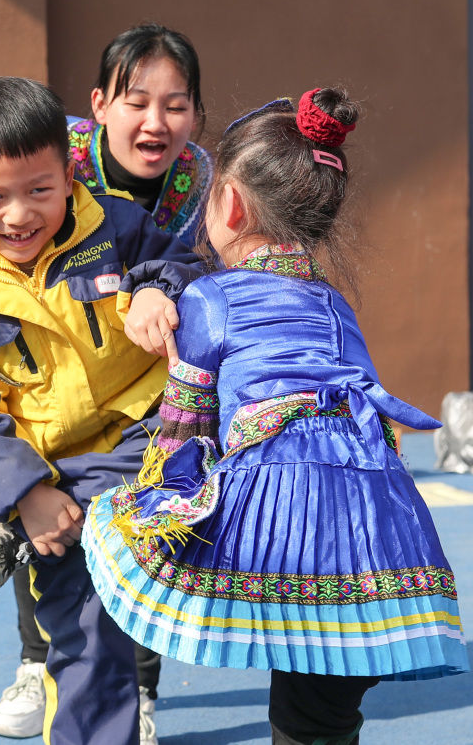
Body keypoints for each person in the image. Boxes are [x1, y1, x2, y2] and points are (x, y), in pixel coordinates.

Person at [82, 87, 470, 745]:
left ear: (228, 204)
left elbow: (182, 426)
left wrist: (160, 512)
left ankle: (136, 686)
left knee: (119, 534)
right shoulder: (336, 306)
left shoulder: (210, 299)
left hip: (281, 509)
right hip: (372, 528)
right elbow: (375, 423)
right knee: (321, 712)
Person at [0, 76, 203, 744]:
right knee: (87, 612)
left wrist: (160, 289)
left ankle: (14, 534)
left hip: (143, 437)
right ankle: (23, 528)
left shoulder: (119, 226)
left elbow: (178, 262)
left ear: (69, 175)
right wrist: (26, 493)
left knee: (122, 578)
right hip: (49, 466)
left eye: (39, 190)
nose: (21, 215)